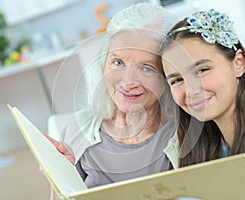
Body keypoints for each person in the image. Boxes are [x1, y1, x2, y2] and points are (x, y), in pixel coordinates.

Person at [47, 3, 180, 199]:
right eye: (118, 62)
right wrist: (60, 179)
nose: (127, 82)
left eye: (147, 68)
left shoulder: (186, 135)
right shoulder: (76, 129)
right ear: (103, 63)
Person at [159, 8, 245, 198]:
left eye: (202, 70)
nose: (191, 90)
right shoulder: (204, 148)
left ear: (238, 63)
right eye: (176, 80)